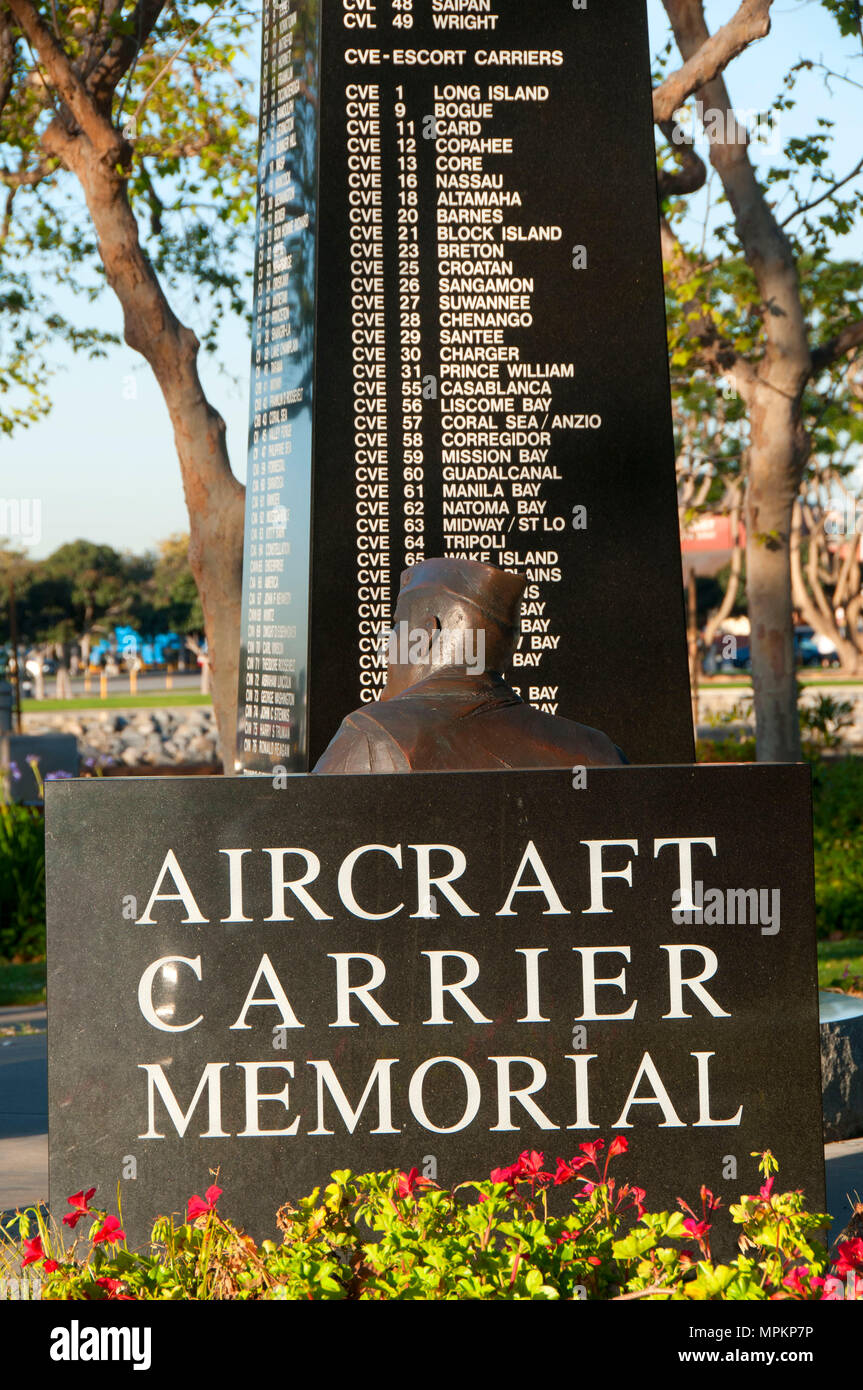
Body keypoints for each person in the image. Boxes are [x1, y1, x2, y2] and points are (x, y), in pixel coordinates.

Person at [312, 557, 626, 773]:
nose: (387, 647)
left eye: (396, 628)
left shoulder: (373, 738)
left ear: (424, 634)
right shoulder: (599, 751)